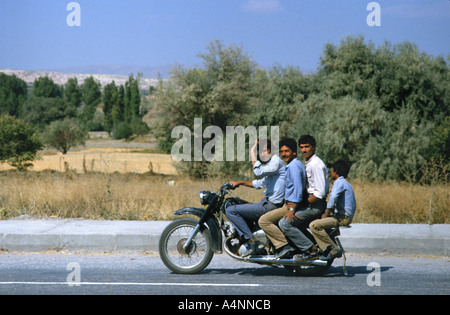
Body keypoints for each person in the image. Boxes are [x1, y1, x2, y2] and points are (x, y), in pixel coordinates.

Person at [226, 139, 285, 257]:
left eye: (265, 151)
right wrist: (240, 182)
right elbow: (259, 183)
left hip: (271, 206)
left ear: (271, 150)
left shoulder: (275, 162)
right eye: (260, 151)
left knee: (231, 210)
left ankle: (251, 241)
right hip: (268, 203)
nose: (262, 154)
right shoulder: (271, 165)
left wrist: (252, 151)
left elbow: (258, 172)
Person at [278, 135, 329, 260]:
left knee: (284, 223)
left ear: (314, 147)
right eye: (302, 147)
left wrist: (298, 205)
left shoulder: (315, 164)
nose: (304, 150)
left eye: (307, 147)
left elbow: (320, 193)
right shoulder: (308, 163)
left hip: (314, 204)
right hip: (310, 202)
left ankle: (310, 249)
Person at [258, 138, 306, 259]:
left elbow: (298, 189)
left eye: (287, 151)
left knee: (263, 221)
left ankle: (283, 246)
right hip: (289, 204)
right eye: (282, 151)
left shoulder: (293, 166)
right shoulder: (294, 165)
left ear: (294, 152)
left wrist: (292, 209)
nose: (284, 154)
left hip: (290, 205)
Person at [309, 160, 356, 261]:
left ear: (336, 171)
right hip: (343, 216)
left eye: (332, 170)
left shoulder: (339, 182)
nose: (331, 172)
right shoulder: (345, 183)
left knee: (314, 225)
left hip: (342, 218)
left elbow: (333, 197)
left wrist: (327, 213)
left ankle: (333, 249)